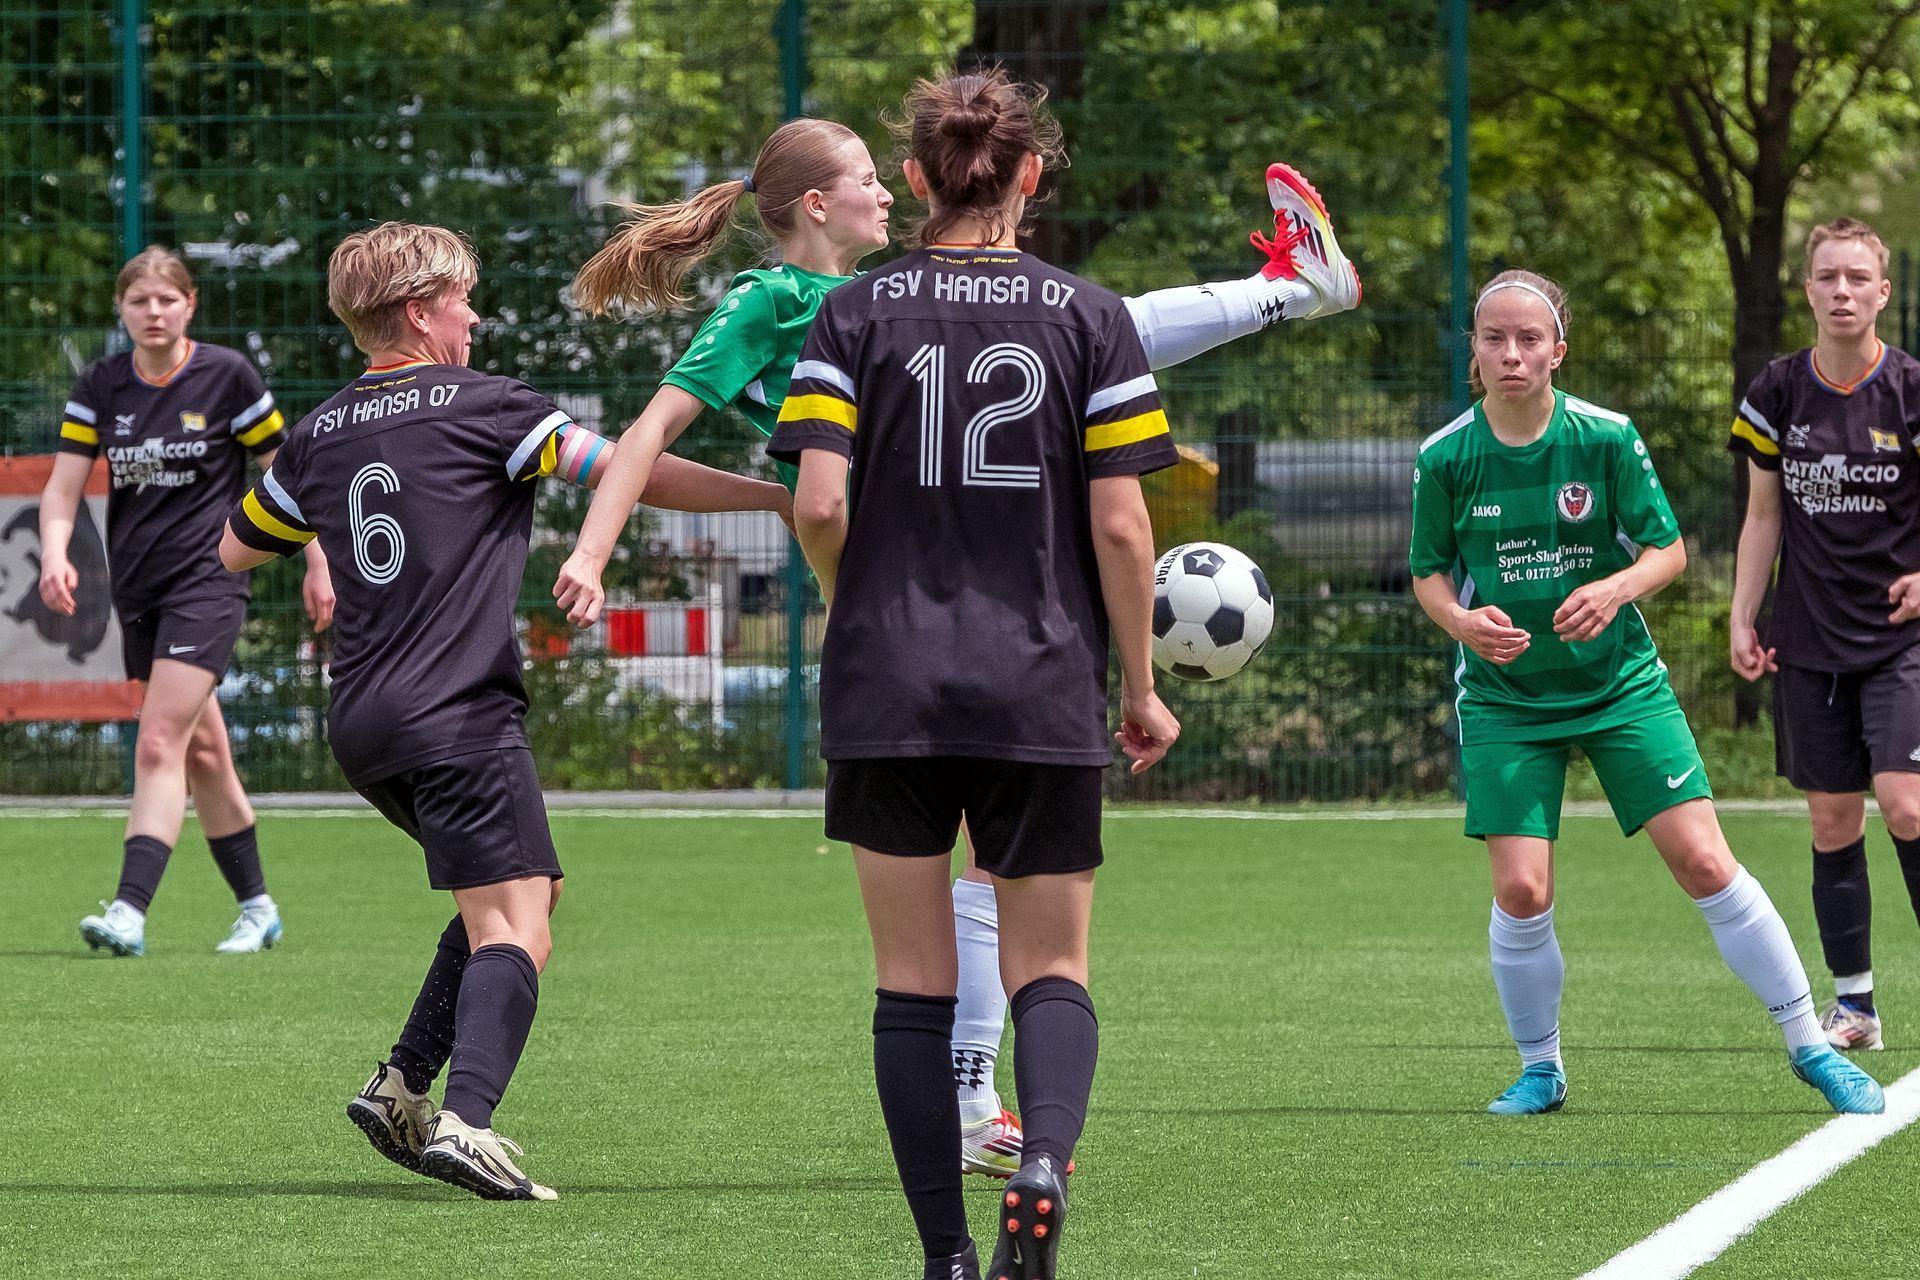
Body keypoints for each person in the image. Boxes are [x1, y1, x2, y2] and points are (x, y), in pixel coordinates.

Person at [557, 113, 1359, 1178]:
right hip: (901, 604)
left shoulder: (870, 302)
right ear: (816, 205)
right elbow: (648, 437)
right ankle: (1291, 289)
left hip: (938, 592)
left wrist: (781, 503)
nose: (887, 194)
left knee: (983, 867)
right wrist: (595, 551)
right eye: (865, 179)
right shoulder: (782, 303)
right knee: (1099, 326)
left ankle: (974, 1104)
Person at [219, 221, 787, 1201]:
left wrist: (323, 536)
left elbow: (237, 545)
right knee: (517, 925)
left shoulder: (316, 433)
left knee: (523, 896)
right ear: (418, 312)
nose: (474, 317)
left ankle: (402, 1085)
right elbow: (629, 466)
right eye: (462, 300)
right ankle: (468, 1125)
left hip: (364, 722)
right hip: (457, 713)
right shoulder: (486, 406)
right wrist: (771, 500)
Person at [764, 67, 1182, 1280]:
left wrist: (854, 607)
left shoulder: (853, 313)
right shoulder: (1090, 317)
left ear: (913, 177)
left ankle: (946, 1252)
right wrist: (1139, 684)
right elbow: (1122, 527)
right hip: (1040, 679)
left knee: (912, 983)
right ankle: (1041, 1160)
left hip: (889, 681)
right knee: (1051, 966)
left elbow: (818, 503)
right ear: (1030, 174)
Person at [1409, 268, 1885, 1120]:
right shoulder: (1444, 457)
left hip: (1620, 685)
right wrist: (1461, 622)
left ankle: (1811, 1047)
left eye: (1528, 339)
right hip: (1507, 698)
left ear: (1558, 350)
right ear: (1473, 351)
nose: (1511, 354)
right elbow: (1428, 573)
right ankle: (1541, 1069)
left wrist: (1614, 589)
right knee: (1522, 890)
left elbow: (1668, 551)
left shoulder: (1605, 437)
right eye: (1494, 339)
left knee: (1704, 861)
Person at [40, 246, 330, 957]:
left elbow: (288, 476)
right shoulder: (102, 384)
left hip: (209, 580)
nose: (154, 312)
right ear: (121, 309)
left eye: (167, 299)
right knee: (202, 750)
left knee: (159, 740)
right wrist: (53, 553)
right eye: (139, 301)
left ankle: (129, 911)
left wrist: (319, 562)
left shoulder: (227, 376)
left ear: (189, 305)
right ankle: (258, 908)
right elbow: (63, 487)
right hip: (137, 588)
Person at [1729, 216, 1920, 1053]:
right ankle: (1856, 1008)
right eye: (1828, 277)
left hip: (1902, 637)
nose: (1843, 291)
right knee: (1834, 822)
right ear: (1807, 289)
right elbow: (1761, 516)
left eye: (1857, 278)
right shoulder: (1776, 392)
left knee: (1907, 804)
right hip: (1808, 637)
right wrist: (1743, 613)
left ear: (1883, 292)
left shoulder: (1911, 389)